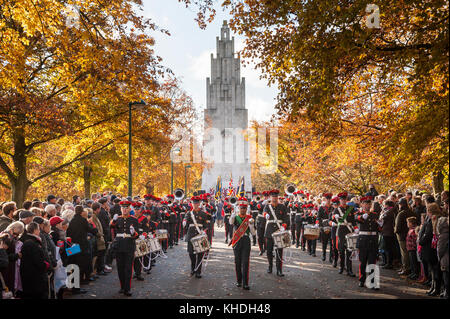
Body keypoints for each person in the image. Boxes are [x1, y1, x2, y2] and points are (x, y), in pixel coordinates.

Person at [109, 200, 140, 296]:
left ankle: (127, 288)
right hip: (119, 246)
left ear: (129, 209)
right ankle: (122, 286)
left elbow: (137, 235)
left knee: (128, 268)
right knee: (120, 268)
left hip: (129, 245)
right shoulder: (117, 219)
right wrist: (113, 221)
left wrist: (133, 233)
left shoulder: (134, 220)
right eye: (123, 208)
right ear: (121, 209)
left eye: (126, 208)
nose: (124, 210)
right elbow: (111, 227)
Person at [66, 205, 97, 293]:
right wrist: (95, 230)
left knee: (73, 265)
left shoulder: (72, 220)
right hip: (81, 246)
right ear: (81, 211)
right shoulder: (82, 220)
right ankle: (76, 288)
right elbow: (90, 230)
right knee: (79, 266)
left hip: (72, 245)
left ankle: (72, 286)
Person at [229, 197, 255, 290]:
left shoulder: (249, 219)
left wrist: (251, 226)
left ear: (246, 209)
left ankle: (245, 283)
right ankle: (239, 281)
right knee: (238, 262)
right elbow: (231, 222)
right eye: (241, 208)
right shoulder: (235, 217)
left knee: (245, 262)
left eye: (244, 208)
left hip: (246, 241)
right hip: (237, 241)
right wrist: (232, 215)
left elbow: (253, 233)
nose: (243, 209)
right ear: (239, 208)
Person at [20, 222, 49, 299]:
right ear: (35, 230)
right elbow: (37, 260)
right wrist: (45, 265)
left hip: (30, 274)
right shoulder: (32, 243)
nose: (39, 231)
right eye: (38, 229)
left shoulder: (29, 240)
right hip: (34, 276)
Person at [263, 189, 289, 277]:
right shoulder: (267, 206)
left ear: (277, 197)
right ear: (270, 197)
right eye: (273, 196)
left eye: (276, 196)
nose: (274, 198)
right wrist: (265, 215)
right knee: (269, 251)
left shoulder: (282, 207)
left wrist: (284, 226)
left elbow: (286, 218)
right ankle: (270, 266)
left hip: (279, 230)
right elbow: (264, 212)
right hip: (269, 230)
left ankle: (279, 269)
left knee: (279, 251)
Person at [355, 196, 380, 288]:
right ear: (362, 204)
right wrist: (362, 217)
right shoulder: (358, 213)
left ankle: (372, 282)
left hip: (373, 240)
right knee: (362, 261)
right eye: (365, 204)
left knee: (372, 262)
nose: (367, 206)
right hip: (363, 240)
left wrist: (381, 224)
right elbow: (357, 219)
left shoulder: (374, 214)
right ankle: (362, 280)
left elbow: (379, 227)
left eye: (369, 204)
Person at [183, 196, 209, 278]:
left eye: (197, 203)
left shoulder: (203, 214)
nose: (195, 205)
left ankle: (198, 271)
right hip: (191, 235)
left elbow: (206, 225)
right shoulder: (189, 213)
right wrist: (184, 222)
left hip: (200, 235)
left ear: (199, 203)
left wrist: (204, 231)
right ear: (192, 204)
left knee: (200, 254)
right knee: (191, 253)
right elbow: (185, 222)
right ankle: (193, 268)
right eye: (194, 203)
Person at [332, 192, 356, 277]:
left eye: (344, 199)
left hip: (349, 230)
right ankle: (341, 267)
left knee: (349, 250)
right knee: (341, 250)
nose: (343, 201)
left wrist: (356, 228)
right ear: (339, 200)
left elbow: (353, 220)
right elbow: (334, 220)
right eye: (341, 199)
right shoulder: (336, 209)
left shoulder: (351, 208)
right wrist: (335, 217)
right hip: (341, 230)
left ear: (346, 200)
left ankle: (349, 270)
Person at [395, 197, 416, 276]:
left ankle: (406, 268)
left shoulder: (401, 213)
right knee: (408, 253)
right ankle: (406, 267)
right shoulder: (411, 212)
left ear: (401, 204)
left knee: (404, 253)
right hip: (410, 234)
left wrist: (396, 231)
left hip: (402, 236)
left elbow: (397, 226)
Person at [318, 193, 333, 261]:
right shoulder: (321, 208)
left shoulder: (333, 208)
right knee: (324, 242)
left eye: (329, 199)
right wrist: (320, 226)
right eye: (327, 199)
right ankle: (324, 255)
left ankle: (331, 257)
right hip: (324, 226)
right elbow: (318, 217)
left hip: (332, 226)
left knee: (332, 243)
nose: (328, 200)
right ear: (325, 199)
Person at [437, 216, 448, 299]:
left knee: (446, 278)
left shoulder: (443, 235)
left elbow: (440, 249)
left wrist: (439, 258)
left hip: (445, 259)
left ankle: (446, 293)